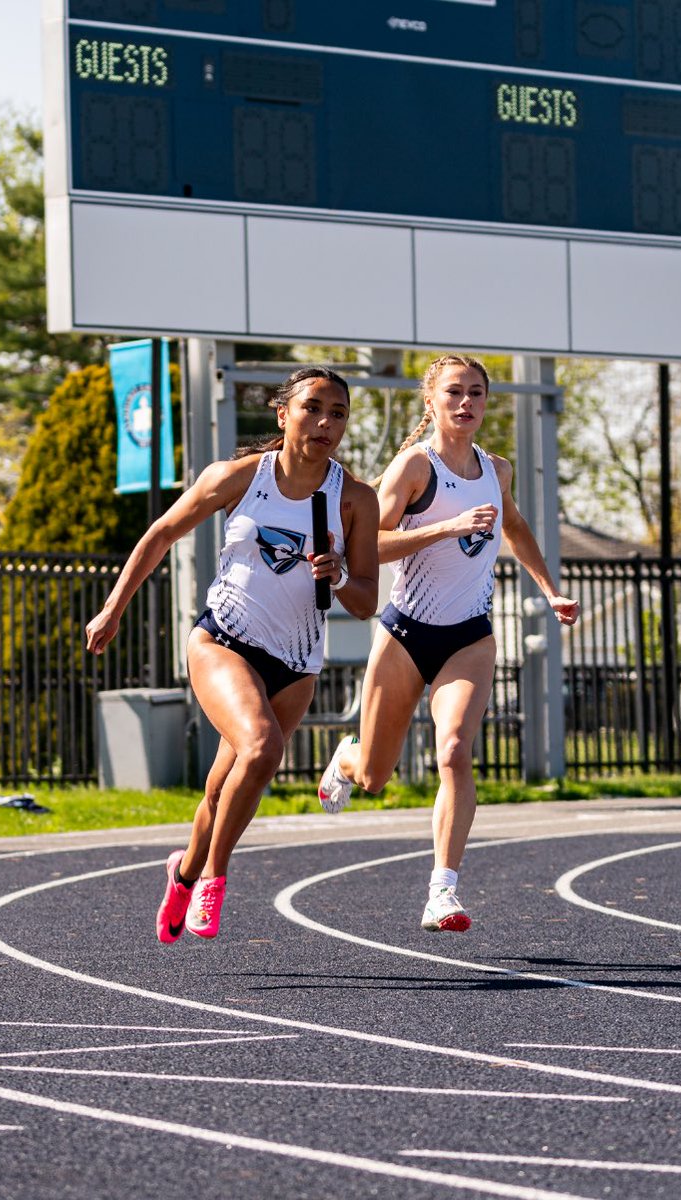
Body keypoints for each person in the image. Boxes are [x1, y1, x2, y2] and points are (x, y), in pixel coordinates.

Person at [86, 367, 379, 942]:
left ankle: (186, 870)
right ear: (282, 413)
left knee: (223, 790)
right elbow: (161, 533)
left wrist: (340, 575)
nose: (324, 423)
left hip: (296, 663)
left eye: (337, 413)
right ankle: (216, 880)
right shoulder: (241, 478)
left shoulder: (355, 500)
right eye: (312, 408)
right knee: (263, 746)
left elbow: (367, 600)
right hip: (224, 640)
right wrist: (114, 607)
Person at [317, 354, 579, 932]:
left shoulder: (497, 470)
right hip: (405, 632)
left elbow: (514, 526)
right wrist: (446, 527)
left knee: (455, 750)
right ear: (431, 401)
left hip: (469, 636)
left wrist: (550, 591)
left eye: (477, 394)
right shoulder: (415, 467)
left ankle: (443, 891)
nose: (467, 404)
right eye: (455, 393)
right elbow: (370, 546)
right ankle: (349, 755)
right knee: (375, 777)